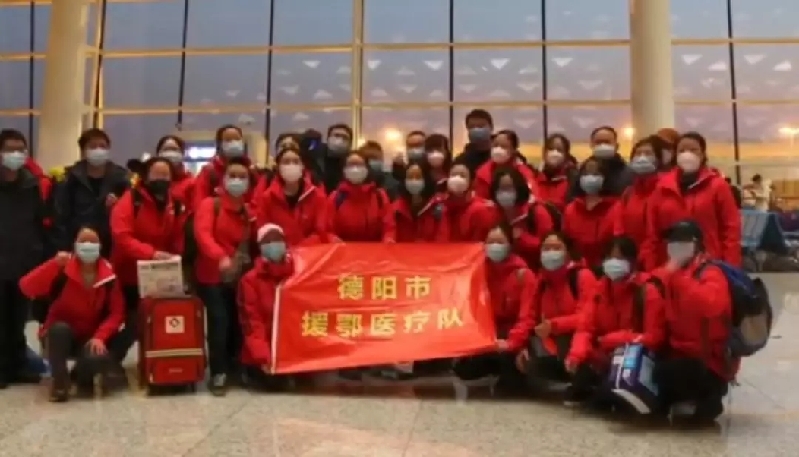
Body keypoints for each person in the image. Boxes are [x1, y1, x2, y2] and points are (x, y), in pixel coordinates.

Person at [19, 225, 125, 402]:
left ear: (100, 247)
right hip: (58, 335)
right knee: (59, 330)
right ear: (75, 245)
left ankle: (81, 376)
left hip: (89, 336)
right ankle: (59, 384)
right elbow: (26, 287)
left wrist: (100, 336)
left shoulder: (109, 276)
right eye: (83, 241)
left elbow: (117, 313)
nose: (88, 245)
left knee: (96, 357)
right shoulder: (62, 269)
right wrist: (53, 264)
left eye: (92, 242)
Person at [564, 236, 666, 406]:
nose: (613, 262)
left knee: (608, 396)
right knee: (581, 372)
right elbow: (585, 328)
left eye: (619, 258)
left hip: (634, 359)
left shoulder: (647, 291)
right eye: (609, 258)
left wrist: (615, 339)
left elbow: (654, 337)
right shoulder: (599, 290)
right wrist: (576, 355)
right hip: (605, 356)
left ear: (632, 261)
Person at [653, 220, 733, 423]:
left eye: (681, 241)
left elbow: (711, 305)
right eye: (672, 241)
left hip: (708, 361)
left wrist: (679, 279)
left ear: (696, 244)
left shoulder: (711, 272)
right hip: (677, 351)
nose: (675, 246)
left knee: (664, 373)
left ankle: (708, 399)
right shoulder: (670, 272)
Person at [109, 157, 186, 367]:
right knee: (133, 322)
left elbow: (177, 236)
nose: (161, 179)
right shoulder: (130, 200)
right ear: (145, 176)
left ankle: (152, 363)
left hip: (160, 274)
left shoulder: (175, 203)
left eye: (165, 174)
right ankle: (109, 360)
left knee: (153, 321)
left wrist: (175, 257)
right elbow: (122, 236)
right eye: (156, 174)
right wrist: (151, 254)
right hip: (127, 273)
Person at [194, 157, 255, 396]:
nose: (237, 181)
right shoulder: (210, 205)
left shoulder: (248, 211)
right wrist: (220, 256)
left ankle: (235, 367)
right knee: (219, 320)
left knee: (239, 322)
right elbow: (203, 234)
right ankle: (218, 371)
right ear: (223, 179)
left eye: (243, 177)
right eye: (233, 176)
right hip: (211, 275)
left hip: (238, 276)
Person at [452, 222, 535, 393]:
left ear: (510, 245)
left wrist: (512, 343)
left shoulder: (523, 275)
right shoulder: (479, 272)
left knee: (510, 376)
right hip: (489, 333)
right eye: (491, 242)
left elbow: (527, 317)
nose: (495, 246)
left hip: (515, 336)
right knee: (464, 369)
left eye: (500, 241)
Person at [640, 132, 741, 271]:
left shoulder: (718, 186)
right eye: (682, 150)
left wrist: (730, 268)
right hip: (669, 266)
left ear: (703, 154)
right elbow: (652, 233)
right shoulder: (661, 187)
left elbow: (731, 229)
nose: (687, 154)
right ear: (675, 155)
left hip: (709, 266)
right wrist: (651, 270)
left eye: (693, 150)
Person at [515, 232, 598, 388]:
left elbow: (587, 319)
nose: (551, 253)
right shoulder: (541, 282)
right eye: (546, 248)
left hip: (581, 343)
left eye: (556, 248)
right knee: (524, 361)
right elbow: (529, 317)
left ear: (568, 252)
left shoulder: (583, 276)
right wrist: (522, 346)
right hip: (552, 344)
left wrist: (554, 325)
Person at [0, 129, 49, 388]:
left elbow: (39, 221)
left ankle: (18, 365)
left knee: (18, 319)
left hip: (23, 262)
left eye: (20, 149)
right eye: (10, 149)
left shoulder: (31, 185)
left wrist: (36, 253)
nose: (16, 154)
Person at [52, 128, 130, 258]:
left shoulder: (121, 178)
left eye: (102, 146)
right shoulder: (69, 178)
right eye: (93, 146)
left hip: (111, 247)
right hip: (78, 245)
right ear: (83, 151)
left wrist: (118, 206)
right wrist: (64, 249)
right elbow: (60, 217)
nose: (98, 150)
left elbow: (130, 214)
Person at [237, 223, 294, 392]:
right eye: (268, 241)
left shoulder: (297, 274)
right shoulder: (250, 281)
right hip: (262, 353)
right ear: (261, 247)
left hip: (291, 349)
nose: (274, 245)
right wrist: (262, 356)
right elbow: (252, 322)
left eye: (278, 240)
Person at [254, 147, 326, 246]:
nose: (291, 165)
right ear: (278, 167)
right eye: (286, 162)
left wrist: (301, 249)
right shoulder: (267, 198)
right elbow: (263, 232)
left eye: (296, 161)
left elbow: (321, 231)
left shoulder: (318, 196)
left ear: (302, 166)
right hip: (278, 253)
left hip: (310, 252)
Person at [488, 167, 554, 268]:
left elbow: (551, 247)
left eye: (509, 188)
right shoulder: (492, 213)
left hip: (533, 269)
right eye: (500, 188)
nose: (504, 193)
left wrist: (522, 238)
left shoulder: (537, 212)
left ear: (518, 188)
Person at [613, 136, 663, 265]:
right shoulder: (628, 193)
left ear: (658, 159)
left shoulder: (665, 190)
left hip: (658, 259)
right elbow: (619, 227)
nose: (642, 157)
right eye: (638, 153)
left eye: (648, 153)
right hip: (631, 259)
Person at [324, 151, 395, 243]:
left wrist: (388, 239)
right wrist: (332, 239)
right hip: (345, 250)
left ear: (367, 169)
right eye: (351, 165)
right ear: (344, 170)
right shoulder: (335, 198)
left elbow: (389, 227)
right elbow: (328, 229)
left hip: (375, 250)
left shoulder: (380, 196)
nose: (355, 169)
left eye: (359, 164)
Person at [562, 157, 619, 268]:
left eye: (595, 174)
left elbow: (618, 242)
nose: (590, 178)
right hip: (578, 268)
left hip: (607, 268)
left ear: (605, 177)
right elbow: (566, 243)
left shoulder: (616, 207)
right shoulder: (570, 209)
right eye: (586, 174)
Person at [192, 124, 254, 209]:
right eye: (228, 140)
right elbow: (199, 204)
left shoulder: (251, 172)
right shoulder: (209, 172)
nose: (234, 143)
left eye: (237, 139)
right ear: (220, 144)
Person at [567, 126, 632, 200]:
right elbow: (574, 196)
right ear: (592, 145)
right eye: (598, 142)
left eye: (607, 142)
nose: (602, 145)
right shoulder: (583, 169)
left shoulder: (627, 172)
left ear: (616, 146)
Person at [393, 159, 449, 242]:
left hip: (430, 250)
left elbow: (442, 235)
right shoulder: (396, 208)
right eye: (410, 177)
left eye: (418, 177)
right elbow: (390, 231)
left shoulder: (437, 206)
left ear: (425, 179)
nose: (414, 181)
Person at [473, 129, 536, 199]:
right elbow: (479, 199)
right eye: (495, 145)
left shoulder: (524, 173)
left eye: (504, 146)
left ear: (514, 150)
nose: (498, 150)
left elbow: (533, 197)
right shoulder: (482, 173)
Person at [444, 163, 493, 242]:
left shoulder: (480, 210)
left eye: (462, 176)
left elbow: (478, 244)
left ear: (471, 182)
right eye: (453, 175)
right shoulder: (439, 205)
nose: (457, 179)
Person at [535, 133, 576, 211]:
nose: (554, 153)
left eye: (559, 150)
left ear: (566, 155)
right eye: (551, 149)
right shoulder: (534, 176)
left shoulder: (573, 179)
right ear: (544, 152)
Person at [154, 135, 195, 211]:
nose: (170, 153)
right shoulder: (148, 184)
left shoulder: (193, 184)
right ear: (158, 154)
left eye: (174, 149)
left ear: (182, 154)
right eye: (166, 149)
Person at [454, 109, 494, 175]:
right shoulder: (461, 161)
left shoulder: (503, 156)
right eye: (472, 127)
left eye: (481, 126)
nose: (476, 130)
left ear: (491, 127)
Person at [319, 123, 353, 192]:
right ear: (328, 139)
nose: (340, 140)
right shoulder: (315, 160)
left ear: (350, 144)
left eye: (345, 137)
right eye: (336, 135)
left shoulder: (353, 164)